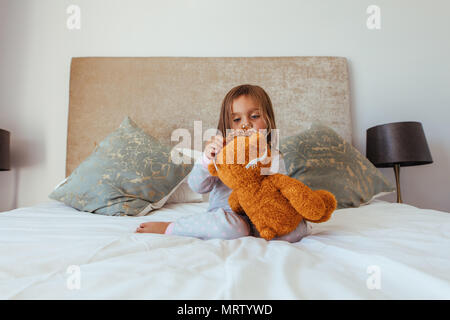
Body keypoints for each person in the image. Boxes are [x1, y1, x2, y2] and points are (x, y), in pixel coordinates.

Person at [136, 84, 311, 242]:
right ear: (226, 125)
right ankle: (171, 227)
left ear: (268, 121)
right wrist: (207, 159)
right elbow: (197, 186)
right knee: (234, 228)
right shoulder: (221, 154)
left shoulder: (274, 156)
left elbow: (283, 190)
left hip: (262, 215)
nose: (245, 124)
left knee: (293, 231)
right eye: (236, 120)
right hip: (227, 215)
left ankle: (266, 229)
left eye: (255, 116)